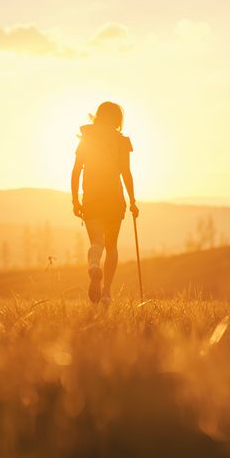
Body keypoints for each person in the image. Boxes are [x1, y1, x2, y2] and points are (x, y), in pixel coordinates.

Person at [71, 101, 138, 305]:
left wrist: (75, 199)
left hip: (92, 197)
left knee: (97, 242)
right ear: (117, 119)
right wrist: (133, 201)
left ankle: (93, 265)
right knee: (112, 246)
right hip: (114, 198)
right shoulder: (121, 141)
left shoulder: (87, 138)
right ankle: (107, 292)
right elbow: (126, 173)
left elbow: (75, 171)